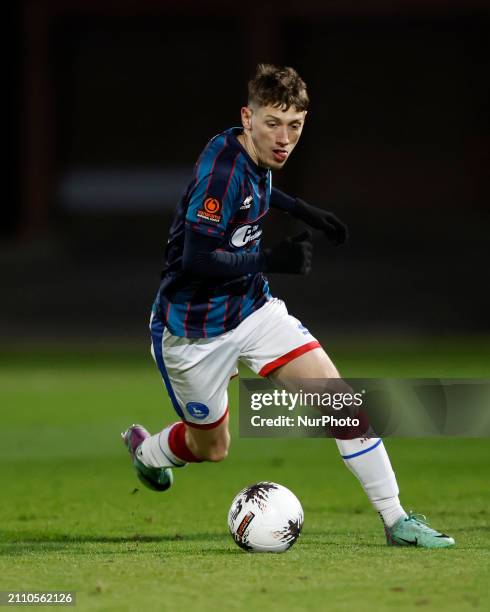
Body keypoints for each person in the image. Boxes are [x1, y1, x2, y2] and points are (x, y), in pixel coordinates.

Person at [122, 64, 454, 548]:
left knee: (342, 404)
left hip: (254, 311)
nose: (283, 138)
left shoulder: (251, 154)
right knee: (211, 448)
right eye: (272, 123)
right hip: (193, 332)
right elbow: (196, 259)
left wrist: (303, 211)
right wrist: (271, 257)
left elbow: (262, 187)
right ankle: (148, 452)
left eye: (294, 125)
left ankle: (396, 520)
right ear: (247, 117)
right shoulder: (220, 174)